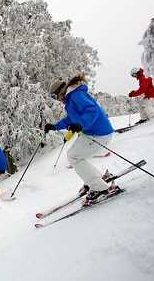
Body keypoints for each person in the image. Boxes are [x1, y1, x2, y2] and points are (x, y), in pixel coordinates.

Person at [44, 74, 118, 205]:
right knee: (74, 155)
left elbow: (91, 111)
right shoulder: (72, 98)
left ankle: (100, 188)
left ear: (61, 91)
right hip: (94, 133)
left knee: (74, 157)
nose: (57, 100)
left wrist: (81, 124)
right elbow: (70, 119)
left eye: (55, 96)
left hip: (99, 133)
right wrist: (55, 126)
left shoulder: (75, 96)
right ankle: (96, 179)